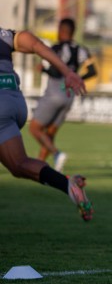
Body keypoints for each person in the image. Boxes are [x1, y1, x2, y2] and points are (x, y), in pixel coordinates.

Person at [0, 25, 93, 221]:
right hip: (13, 101)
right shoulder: (5, 34)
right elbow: (34, 43)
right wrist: (68, 72)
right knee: (18, 164)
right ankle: (67, 184)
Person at [29, 17, 97, 172]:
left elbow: (55, 70)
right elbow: (93, 71)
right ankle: (40, 166)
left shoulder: (57, 48)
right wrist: (77, 79)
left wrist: (43, 69)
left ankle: (57, 153)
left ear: (62, 30)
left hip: (54, 93)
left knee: (34, 129)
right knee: (50, 133)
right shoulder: (82, 49)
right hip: (69, 96)